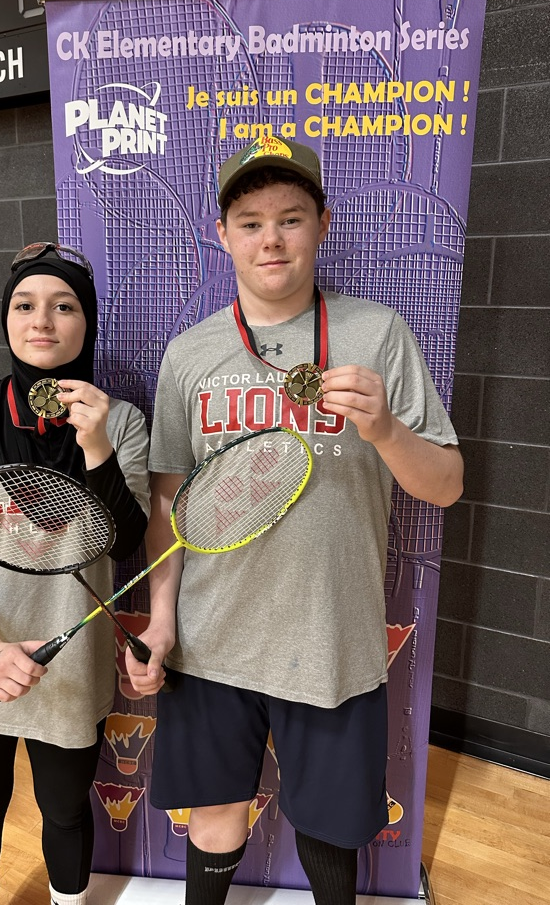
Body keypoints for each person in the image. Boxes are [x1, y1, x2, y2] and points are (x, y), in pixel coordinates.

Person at [125, 138, 463, 905]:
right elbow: (168, 506)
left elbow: (445, 487)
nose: (270, 239)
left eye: (290, 218)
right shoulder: (190, 355)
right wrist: (164, 621)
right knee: (212, 818)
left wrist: (385, 432)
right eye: (249, 221)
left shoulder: (377, 335)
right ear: (223, 235)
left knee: (332, 830)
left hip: (331, 638)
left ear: (323, 224)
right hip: (214, 640)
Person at [0, 243, 150, 905]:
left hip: (70, 668)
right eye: (25, 305)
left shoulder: (120, 423)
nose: (43, 320)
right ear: (6, 320)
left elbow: (125, 542)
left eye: (64, 306)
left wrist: (95, 445)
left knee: (66, 813)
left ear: (86, 324)